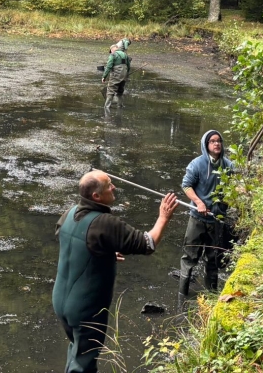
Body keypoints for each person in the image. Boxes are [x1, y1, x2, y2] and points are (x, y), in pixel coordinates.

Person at [53, 170, 178, 373]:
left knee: (77, 352)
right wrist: (163, 217)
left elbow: (68, 237)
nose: (114, 187)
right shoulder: (105, 223)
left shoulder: (70, 212)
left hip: (60, 301)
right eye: (109, 185)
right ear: (96, 197)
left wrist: (103, 252)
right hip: (86, 309)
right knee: (84, 363)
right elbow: (148, 243)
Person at [178, 130, 234, 297]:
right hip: (197, 218)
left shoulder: (228, 166)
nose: (216, 144)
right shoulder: (196, 164)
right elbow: (186, 186)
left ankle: (212, 297)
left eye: (219, 141)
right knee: (189, 257)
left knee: (213, 259)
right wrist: (199, 202)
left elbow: (234, 189)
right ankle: (182, 296)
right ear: (206, 145)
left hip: (217, 220)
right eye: (212, 141)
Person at [101, 44, 131, 108]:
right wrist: (126, 74)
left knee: (110, 90)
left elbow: (109, 66)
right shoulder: (125, 55)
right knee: (120, 90)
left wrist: (104, 76)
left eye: (111, 51)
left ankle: (107, 107)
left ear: (112, 50)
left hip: (116, 75)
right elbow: (128, 66)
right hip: (124, 75)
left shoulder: (113, 55)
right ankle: (120, 105)